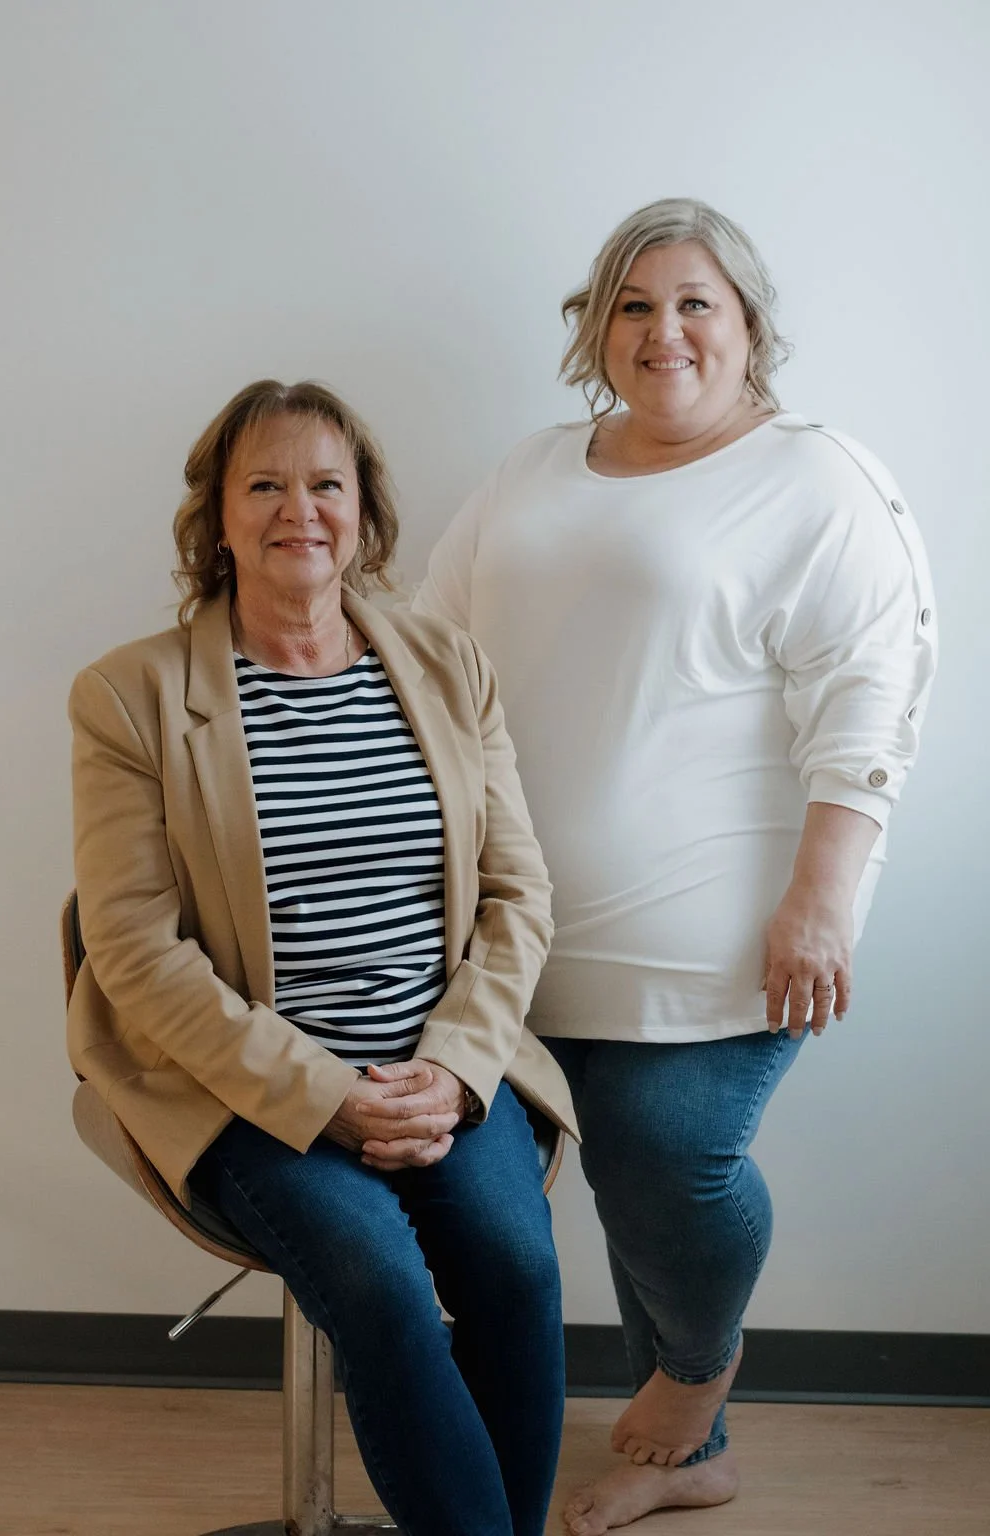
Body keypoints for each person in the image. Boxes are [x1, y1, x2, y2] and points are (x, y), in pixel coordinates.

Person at [413, 198, 936, 1532]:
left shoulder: (816, 478)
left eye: (696, 301)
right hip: (522, 927)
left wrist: (821, 902)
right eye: (634, 306)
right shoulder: (534, 468)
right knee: (602, 1175)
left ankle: (695, 1382)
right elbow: (427, 648)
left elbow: (870, 701)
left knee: (662, 1149)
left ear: (751, 323)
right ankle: (690, 1453)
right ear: (596, 329)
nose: (665, 331)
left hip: (720, 925)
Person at [66, 378, 579, 1536]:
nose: (299, 509)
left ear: (364, 511)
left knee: (516, 1268)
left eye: (325, 485)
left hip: (440, 1067)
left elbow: (519, 895)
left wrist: (451, 1067)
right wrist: (329, 1096)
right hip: (250, 1088)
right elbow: (134, 949)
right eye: (265, 485)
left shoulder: (449, 668)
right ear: (217, 517)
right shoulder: (130, 696)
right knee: (382, 1287)